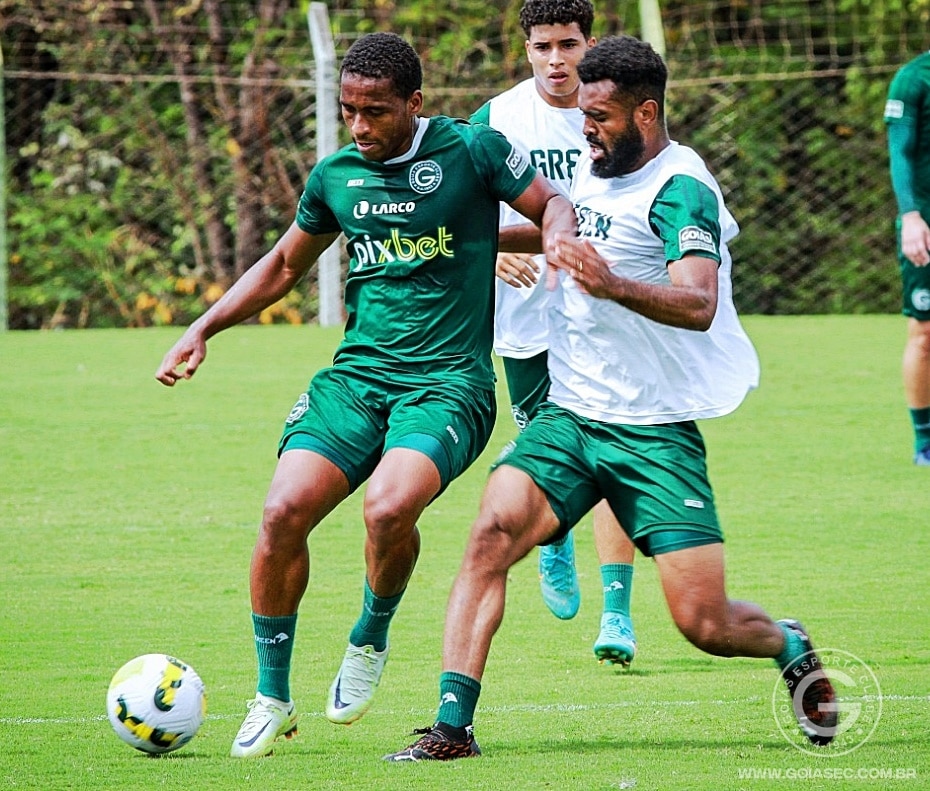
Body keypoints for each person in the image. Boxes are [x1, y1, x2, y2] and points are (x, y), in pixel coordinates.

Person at [384, 34, 838, 762]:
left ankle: (789, 642)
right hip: (571, 417)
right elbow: (568, 230)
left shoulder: (681, 186)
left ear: (646, 113)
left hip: (654, 433)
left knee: (704, 622)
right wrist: (468, 236)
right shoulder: (601, 163)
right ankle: (451, 726)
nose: (584, 128)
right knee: (488, 537)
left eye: (598, 116)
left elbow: (696, 299)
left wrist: (609, 282)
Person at [155, 31, 575, 759]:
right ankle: (272, 695)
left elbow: (551, 204)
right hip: (357, 378)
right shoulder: (337, 174)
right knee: (283, 509)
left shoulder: (472, 149)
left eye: (375, 111)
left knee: (388, 506)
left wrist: (561, 243)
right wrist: (203, 327)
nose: (359, 125)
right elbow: (286, 262)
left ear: (413, 102)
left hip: (449, 384)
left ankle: (370, 633)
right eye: (349, 109)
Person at [469, 0, 638, 666]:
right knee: (551, 441)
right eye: (543, 47)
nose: (557, 60)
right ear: (526, 49)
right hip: (527, 315)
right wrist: (495, 247)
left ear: (588, 42)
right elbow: (462, 199)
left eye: (569, 44)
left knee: (615, 447)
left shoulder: (619, 111)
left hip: (603, 305)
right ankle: (554, 533)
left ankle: (618, 613)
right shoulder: (499, 117)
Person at [884, 50, 930, 466]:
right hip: (927, 222)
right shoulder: (913, 79)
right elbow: (900, 153)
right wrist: (911, 216)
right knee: (925, 334)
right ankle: (925, 442)